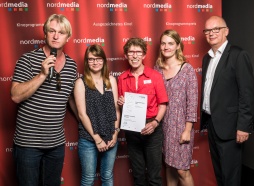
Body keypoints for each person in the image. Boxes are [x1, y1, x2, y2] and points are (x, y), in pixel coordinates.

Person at [10, 14, 77, 186]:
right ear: (45, 33)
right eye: (52, 31)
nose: (56, 36)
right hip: (28, 144)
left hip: (56, 144)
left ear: (68, 37)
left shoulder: (72, 66)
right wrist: (41, 75)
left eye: (61, 32)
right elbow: (15, 95)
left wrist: (85, 120)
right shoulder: (28, 60)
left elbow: (68, 97)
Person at [200, 16, 254, 186]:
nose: (211, 33)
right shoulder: (207, 58)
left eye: (215, 29)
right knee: (220, 173)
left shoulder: (238, 55)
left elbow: (247, 94)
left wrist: (243, 127)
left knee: (231, 176)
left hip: (231, 128)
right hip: (212, 124)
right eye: (207, 30)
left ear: (226, 31)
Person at [117, 37, 168, 186]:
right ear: (126, 55)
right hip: (132, 129)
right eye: (131, 52)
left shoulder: (155, 76)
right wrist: (121, 104)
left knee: (154, 176)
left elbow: (163, 104)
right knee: (138, 175)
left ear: (144, 55)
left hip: (152, 126)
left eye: (138, 52)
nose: (134, 55)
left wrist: (155, 123)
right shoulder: (122, 78)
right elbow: (123, 107)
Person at [155, 29, 198, 186]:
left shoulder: (187, 70)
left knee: (182, 170)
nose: (166, 47)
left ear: (178, 46)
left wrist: (187, 130)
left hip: (181, 127)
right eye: (163, 43)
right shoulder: (157, 69)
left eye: (170, 43)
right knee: (169, 166)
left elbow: (192, 103)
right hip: (162, 126)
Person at [74, 44, 120, 186]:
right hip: (89, 139)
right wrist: (97, 139)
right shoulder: (81, 83)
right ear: (87, 62)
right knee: (88, 178)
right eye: (91, 59)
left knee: (107, 176)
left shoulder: (111, 80)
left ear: (104, 60)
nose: (95, 62)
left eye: (98, 59)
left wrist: (116, 133)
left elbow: (116, 110)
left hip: (110, 137)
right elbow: (82, 114)